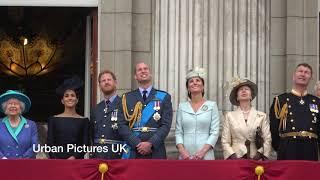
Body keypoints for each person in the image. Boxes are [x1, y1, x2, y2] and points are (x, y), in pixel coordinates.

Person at [118, 62, 173, 159]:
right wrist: (137, 143)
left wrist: (151, 143)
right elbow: (122, 125)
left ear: (150, 73)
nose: (143, 71)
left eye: (145, 69)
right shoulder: (126, 98)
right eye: (139, 70)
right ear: (135, 76)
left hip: (156, 150)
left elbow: (166, 125)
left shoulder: (164, 97)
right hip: (133, 150)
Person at [270, 63, 320, 160]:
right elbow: (274, 129)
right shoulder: (281, 100)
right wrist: (281, 148)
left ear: (311, 78)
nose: (303, 74)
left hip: (310, 149)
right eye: (300, 71)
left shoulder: (317, 102)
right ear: (294, 76)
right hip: (288, 149)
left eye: (307, 72)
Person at [175, 67, 220, 160]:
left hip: (206, 155)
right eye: (191, 81)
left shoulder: (212, 105)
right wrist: (183, 152)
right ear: (188, 87)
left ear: (203, 86)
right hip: (185, 156)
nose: (194, 83)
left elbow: (215, 132)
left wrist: (202, 152)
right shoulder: (182, 106)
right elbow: (178, 132)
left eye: (198, 80)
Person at [221, 77, 271, 160]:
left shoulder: (262, 116)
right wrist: (233, 156)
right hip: (236, 158)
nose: (244, 91)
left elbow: (267, 139)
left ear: (251, 95)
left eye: (246, 89)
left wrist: (259, 154)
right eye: (240, 89)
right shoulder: (229, 116)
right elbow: (225, 141)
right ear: (237, 97)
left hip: (256, 159)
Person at [47, 76, 89, 159]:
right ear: (62, 101)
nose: (70, 98)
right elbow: (50, 143)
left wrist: (74, 157)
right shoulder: (53, 120)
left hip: (77, 162)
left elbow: (85, 144)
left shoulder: (84, 121)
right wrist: (57, 159)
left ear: (77, 100)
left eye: (72, 95)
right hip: (57, 162)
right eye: (66, 96)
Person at [90, 70, 123, 159]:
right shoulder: (96, 109)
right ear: (99, 85)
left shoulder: (124, 105)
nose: (106, 82)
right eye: (103, 81)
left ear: (115, 83)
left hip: (117, 156)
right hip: (98, 156)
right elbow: (92, 134)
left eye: (109, 80)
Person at [0, 90, 38, 159]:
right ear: (5, 107)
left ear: (21, 107)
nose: (13, 106)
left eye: (16, 104)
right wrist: (2, 158)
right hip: (2, 164)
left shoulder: (31, 125)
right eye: (10, 103)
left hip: (25, 164)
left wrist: (22, 159)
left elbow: (35, 146)